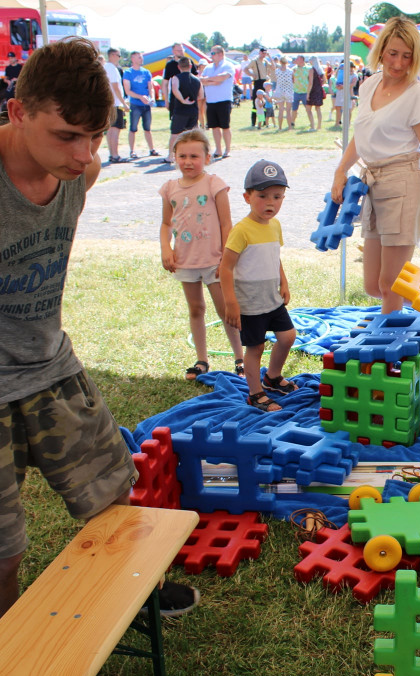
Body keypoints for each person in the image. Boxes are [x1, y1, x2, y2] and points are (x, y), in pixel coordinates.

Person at [0, 38, 201, 639]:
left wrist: (72, 152)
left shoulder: (80, 169)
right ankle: (2, 661)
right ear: (16, 112)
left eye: (97, 134)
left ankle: (135, 597)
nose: (86, 153)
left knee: (113, 488)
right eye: (66, 135)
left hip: (48, 366)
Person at [331, 17, 420, 314]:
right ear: (381, 51)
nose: (398, 62)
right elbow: (361, 134)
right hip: (371, 182)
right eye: (393, 53)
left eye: (407, 56)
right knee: (373, 285)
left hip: (403, 181)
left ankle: (388, 351)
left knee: (389, 283)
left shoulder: (417, 93)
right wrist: (340, 171)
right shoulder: (368, 85)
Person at [159, 128, 244, 379]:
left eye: (194, 156)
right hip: (185, 261)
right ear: (174, 156)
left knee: (225, 310)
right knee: (196, 309)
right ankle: (202, 360)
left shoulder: (214, 184)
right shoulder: (169, 188)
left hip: (214, 261)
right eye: (182, 156)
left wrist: (225, 260)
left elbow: (226, 224)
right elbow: (166, 224)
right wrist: (166, 248)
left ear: (207, 157)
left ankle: (240, 357)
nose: (187, 161)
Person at [219, 160, 299, 412]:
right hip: (250, 304)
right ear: (247, 197)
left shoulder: (275, 226)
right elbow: (225, 267)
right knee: (256, 347)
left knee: (288, 337)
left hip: (272, 299)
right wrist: (231, 302)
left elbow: (275, 258)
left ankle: (272, 377)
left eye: (277, 196)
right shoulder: (241, 230)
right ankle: (255, 393)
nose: (270, 203)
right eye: (262, 196)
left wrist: (283, 282)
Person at [164, 57, 203, 164]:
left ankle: (170, 156)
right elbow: (201, 95)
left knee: (175, 134)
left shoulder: (176, 78)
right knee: (192, 136)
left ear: (179, 67)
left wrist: (182, 100)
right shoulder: (197, 79)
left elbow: (175, 89)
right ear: (191, 66)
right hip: (193, 111)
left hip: (180, 110)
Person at [200, 45, 235, 159]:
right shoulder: (208, 68)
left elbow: (222, 78)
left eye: (213, 53)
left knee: (225, 126)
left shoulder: (228, 65)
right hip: (211, 101)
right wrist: (212, 81)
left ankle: (227, 149)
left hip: (224, 100)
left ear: (220, 54)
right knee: (214, 126)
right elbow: (202, 80)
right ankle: (218, 149)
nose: (211, 56)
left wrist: (210, 79)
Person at [123, 51, 159, 159]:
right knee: (133, 128)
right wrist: (140, 97)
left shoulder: (146, 72)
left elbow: (150, 87)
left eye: (141, 57)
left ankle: (152, 149)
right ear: (133, 59)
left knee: (147, 128)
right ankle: (132, 151)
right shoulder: (128, 73)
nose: (141, 59)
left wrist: (151, 98)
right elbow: (127, 91)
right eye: (139, 57)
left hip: (146, 105)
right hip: (135, 104)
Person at [102, 47, 129, 164]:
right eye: (118, 55)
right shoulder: (112, 68)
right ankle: (115, 154)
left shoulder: (105, 67)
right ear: (112, 55)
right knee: (115, 130)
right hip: (115, 104)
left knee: (110, 130)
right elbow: (116, 87)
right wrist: (124, 103)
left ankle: (112, 154)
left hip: (109, 103)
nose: (119, 58)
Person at [163, 42, 199, 118]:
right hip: (175, 99)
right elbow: (165, 83)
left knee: (191, 126)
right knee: (177, 125)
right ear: (173, 51)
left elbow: (197, 79)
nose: (181, 52)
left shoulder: (189, 62)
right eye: (178, 50)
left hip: (191, 98)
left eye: (182, 50)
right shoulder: (170, 65)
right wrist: (166, 100)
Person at [244, 47, 273, 127]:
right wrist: (252, 75)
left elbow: (273, 67)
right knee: (256, 103)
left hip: (265, 82)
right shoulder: (254, 61)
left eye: (265, 53)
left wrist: (270, 57)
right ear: (259, 53)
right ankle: (253, 122)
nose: (264, 55)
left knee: (264, 103)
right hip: (258, 82)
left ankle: (263, 121)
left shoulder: (265, 61)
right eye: (263, 53)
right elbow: (245, 69)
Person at [273, 56, 294, 131]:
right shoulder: (290, 71)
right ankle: (289, 127)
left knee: (280, 110)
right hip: (288, 91)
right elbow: (293, 80)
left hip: (280, 91)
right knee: (288, 111)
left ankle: (280, 127)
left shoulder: (277, 71)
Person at [305, 56, 325, 131]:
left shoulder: (311, 70)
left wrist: (308, 93)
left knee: (308, 108)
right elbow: (324, 80)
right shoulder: (320, 70)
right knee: (318, 108)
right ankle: (319, 126)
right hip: (319, 90)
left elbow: (310, 82)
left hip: (312, 90)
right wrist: (319, 85)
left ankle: (312, 126)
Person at [290, 55, 310, 128]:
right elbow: (292, 78)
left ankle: (311, 122)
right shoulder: (294, 69)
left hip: (305, 91)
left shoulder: (308, 68)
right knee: (294, 108)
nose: (296, 60)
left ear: (301, 60)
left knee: (308, 108)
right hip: (296, 91)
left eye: (297, 59)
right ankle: (292, 122)